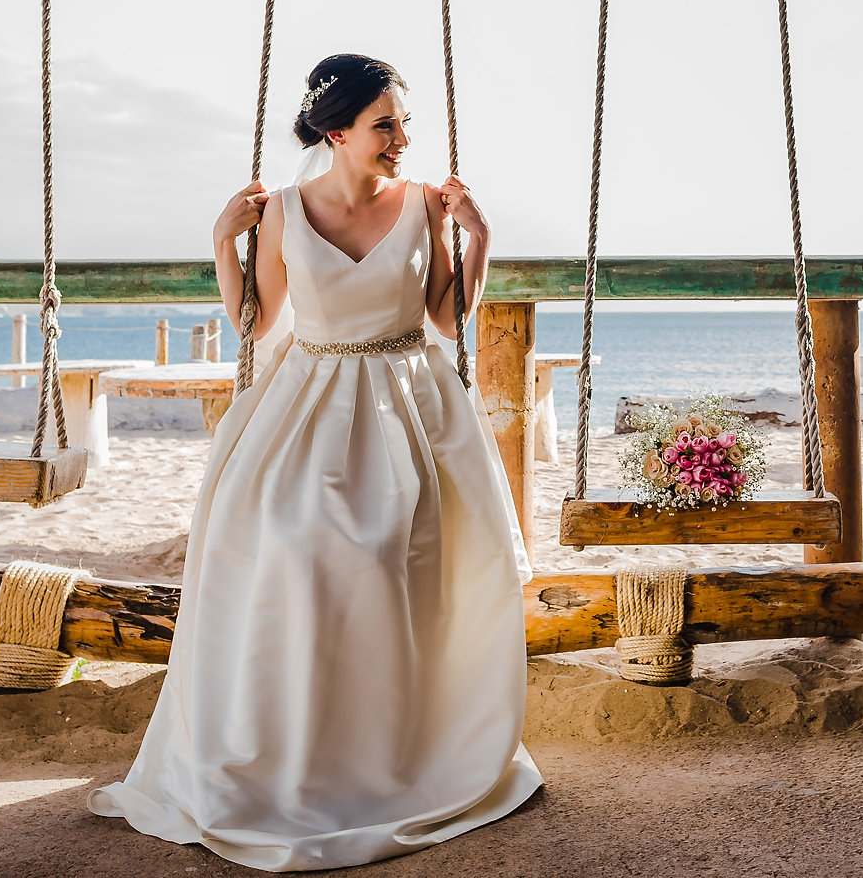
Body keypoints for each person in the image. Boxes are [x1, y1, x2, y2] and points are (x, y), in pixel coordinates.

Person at [89, 53, 543, 870]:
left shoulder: (424, 209)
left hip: (410, 401)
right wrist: (222, 242)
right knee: (297, 553)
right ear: (336, 130)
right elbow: (257, 326)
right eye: (385, 125)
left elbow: (446, 318)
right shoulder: (286, 211)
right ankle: (298, 754)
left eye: (403, 122)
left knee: (397, 561)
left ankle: (396, 755)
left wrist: (477, 235)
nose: (402, 138)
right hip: (310, 401)